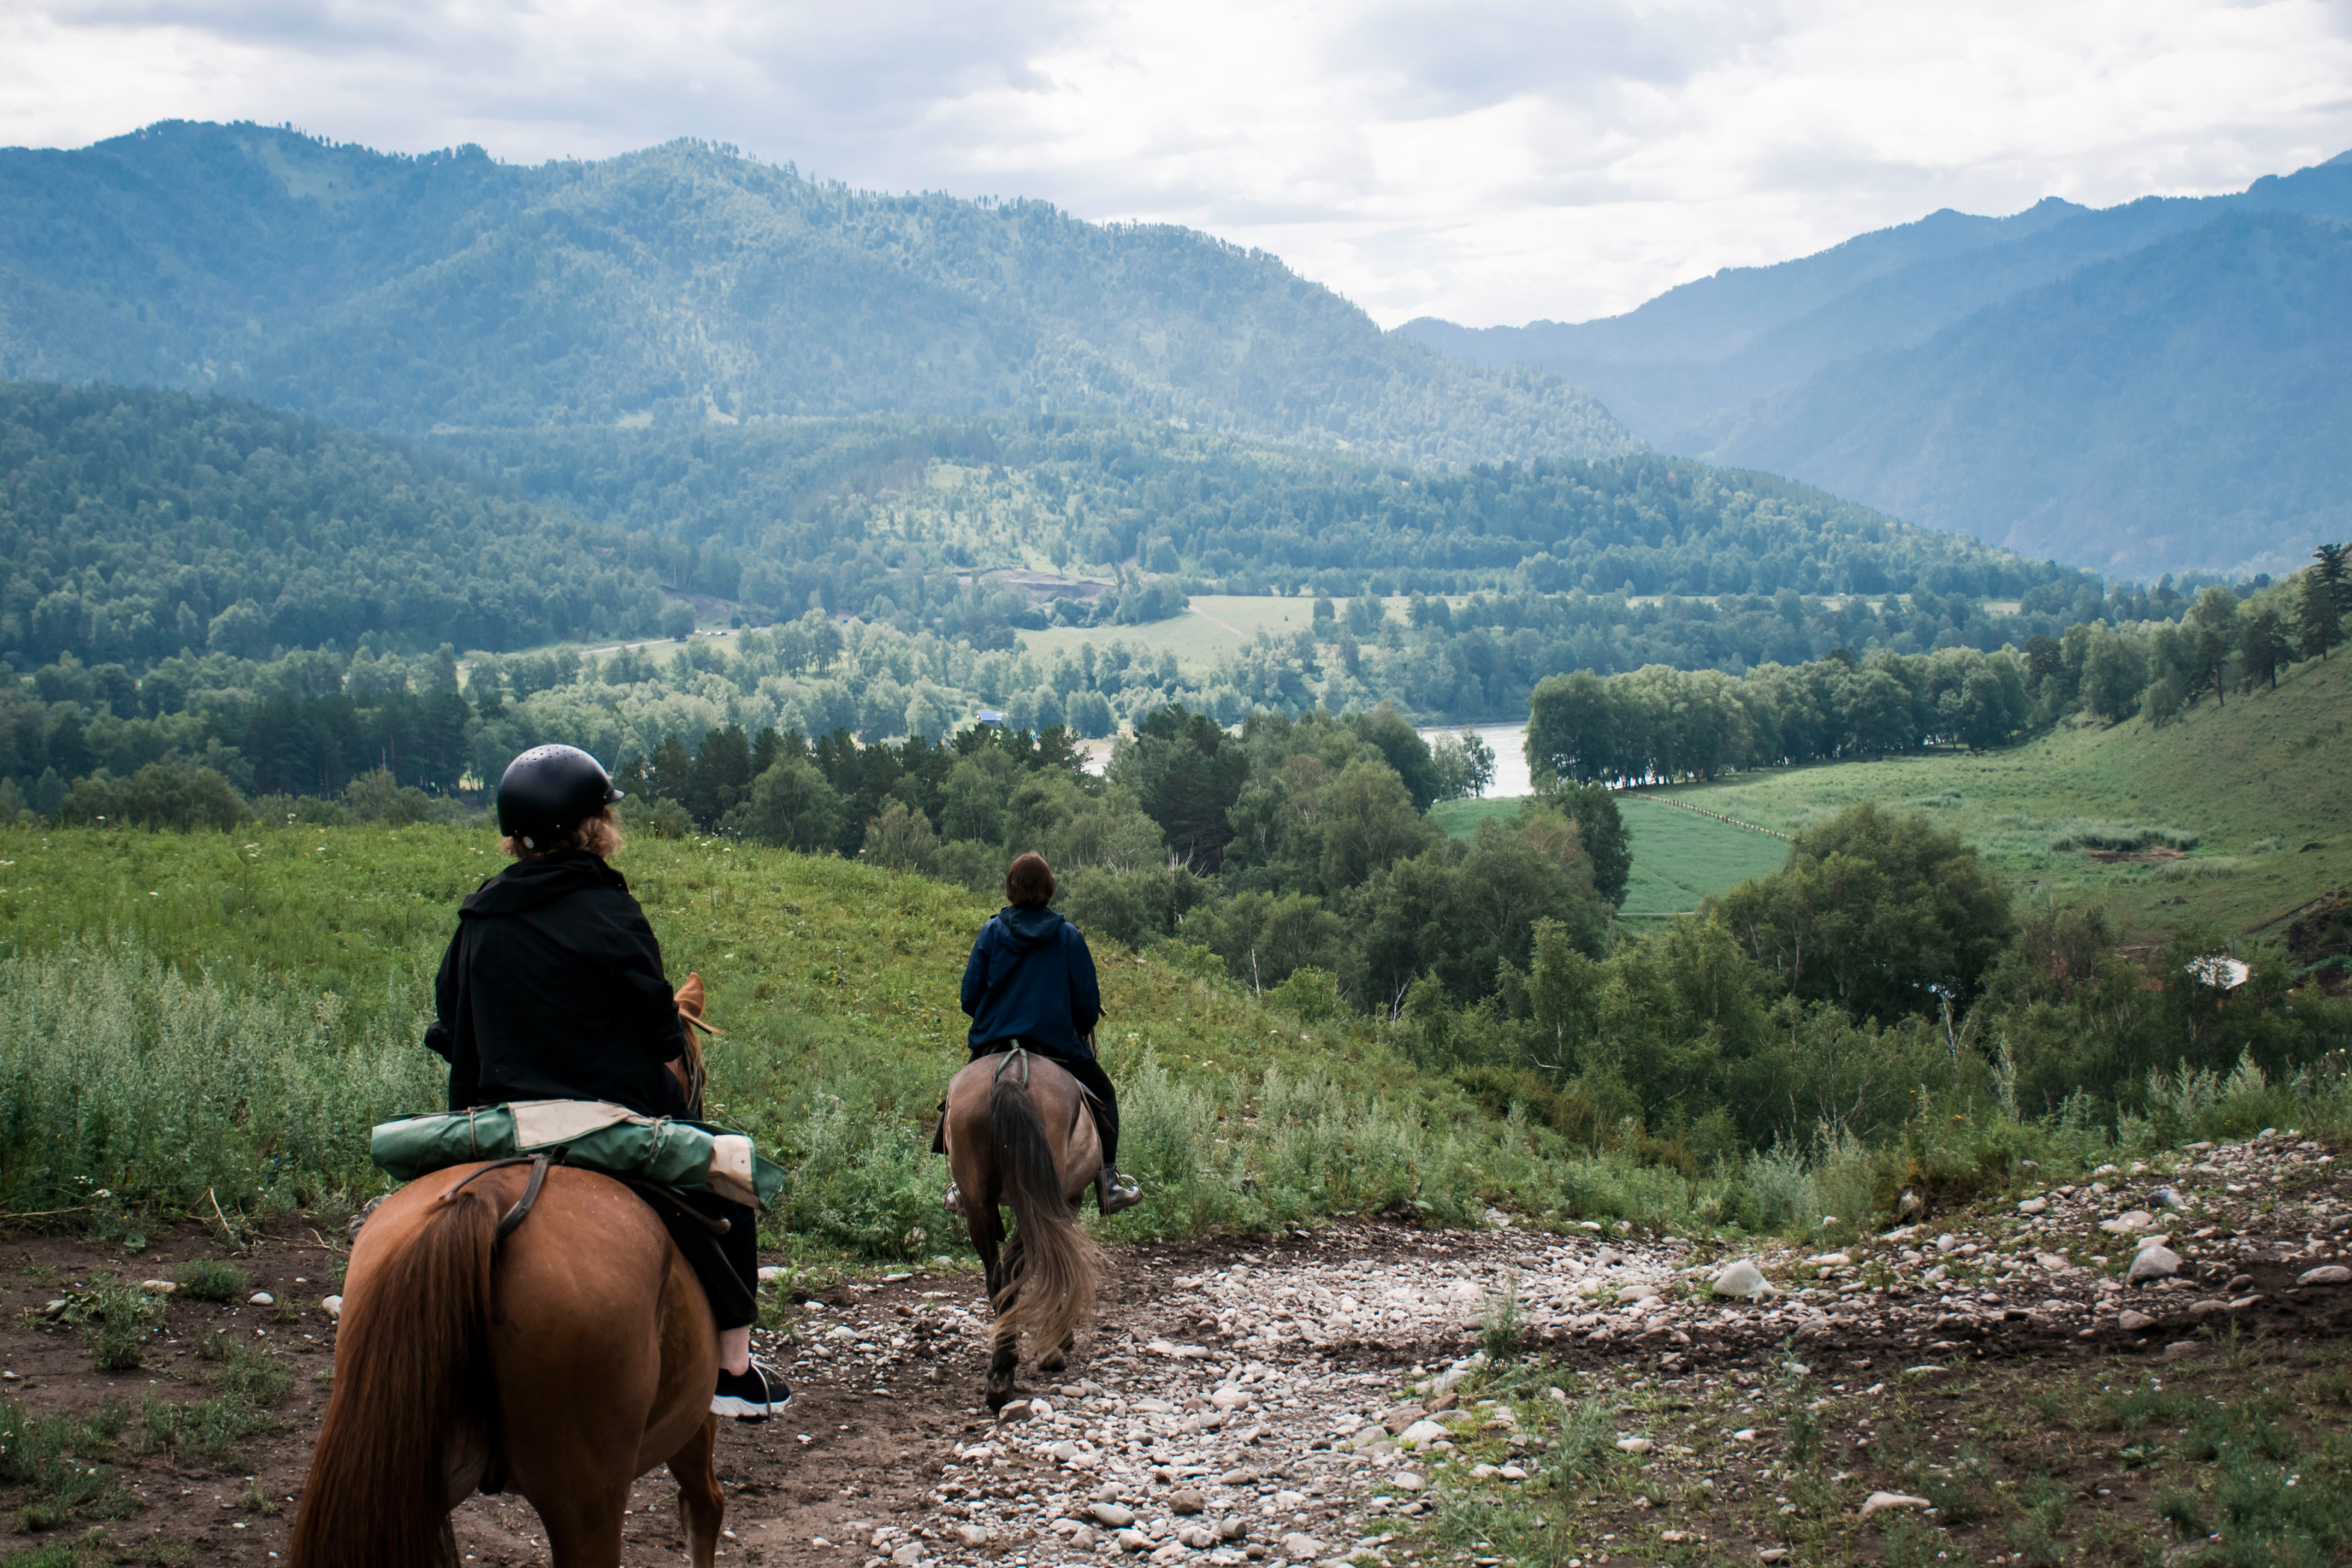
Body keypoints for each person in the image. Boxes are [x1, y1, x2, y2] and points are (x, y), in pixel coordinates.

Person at [424, 743, 787, 1422]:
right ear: (595, 828)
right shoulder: (609, 912)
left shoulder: (477, 919)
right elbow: (659, 1031)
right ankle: (733, 1372)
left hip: (496, 1125)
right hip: (602, 1126)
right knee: (731, 1181)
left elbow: (447, 1032)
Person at [946, 852, 1140, 1216]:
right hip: (1058, 1047)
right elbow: (1087, 1004)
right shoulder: (1069, 937)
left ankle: (961, 1184)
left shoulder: (991, 932)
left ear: (1010, 889)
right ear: (1050, 889)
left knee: (957, 1099)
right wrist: (1075, 1028)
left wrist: (995, 1020)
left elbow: (969, 997)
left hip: (996, 1045)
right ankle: (1109, 1182)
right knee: (1106, 1096)